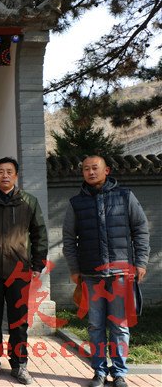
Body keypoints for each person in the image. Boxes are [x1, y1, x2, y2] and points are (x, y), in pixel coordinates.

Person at [62, 155, 150, 387]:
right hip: (91, 275)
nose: (90, 172)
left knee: (120, 325)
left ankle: (119, 372)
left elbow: (141, 230)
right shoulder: (76, 203)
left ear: (107, 170)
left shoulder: (125, 196)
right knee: (95, 325)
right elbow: (69, 239)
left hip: (121, 273)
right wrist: (74, 269)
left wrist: (141, 262)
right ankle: (99, 371)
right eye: (86, 169)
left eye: (95, 168)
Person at [0, 157, 48, 385]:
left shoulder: (28, 202)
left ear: (16, 175)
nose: (5, 175)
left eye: (9, 171)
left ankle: (19, 364)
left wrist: (38, 264)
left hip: (19, 272)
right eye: (1, 171)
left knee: (18, 321)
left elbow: (39, 234)